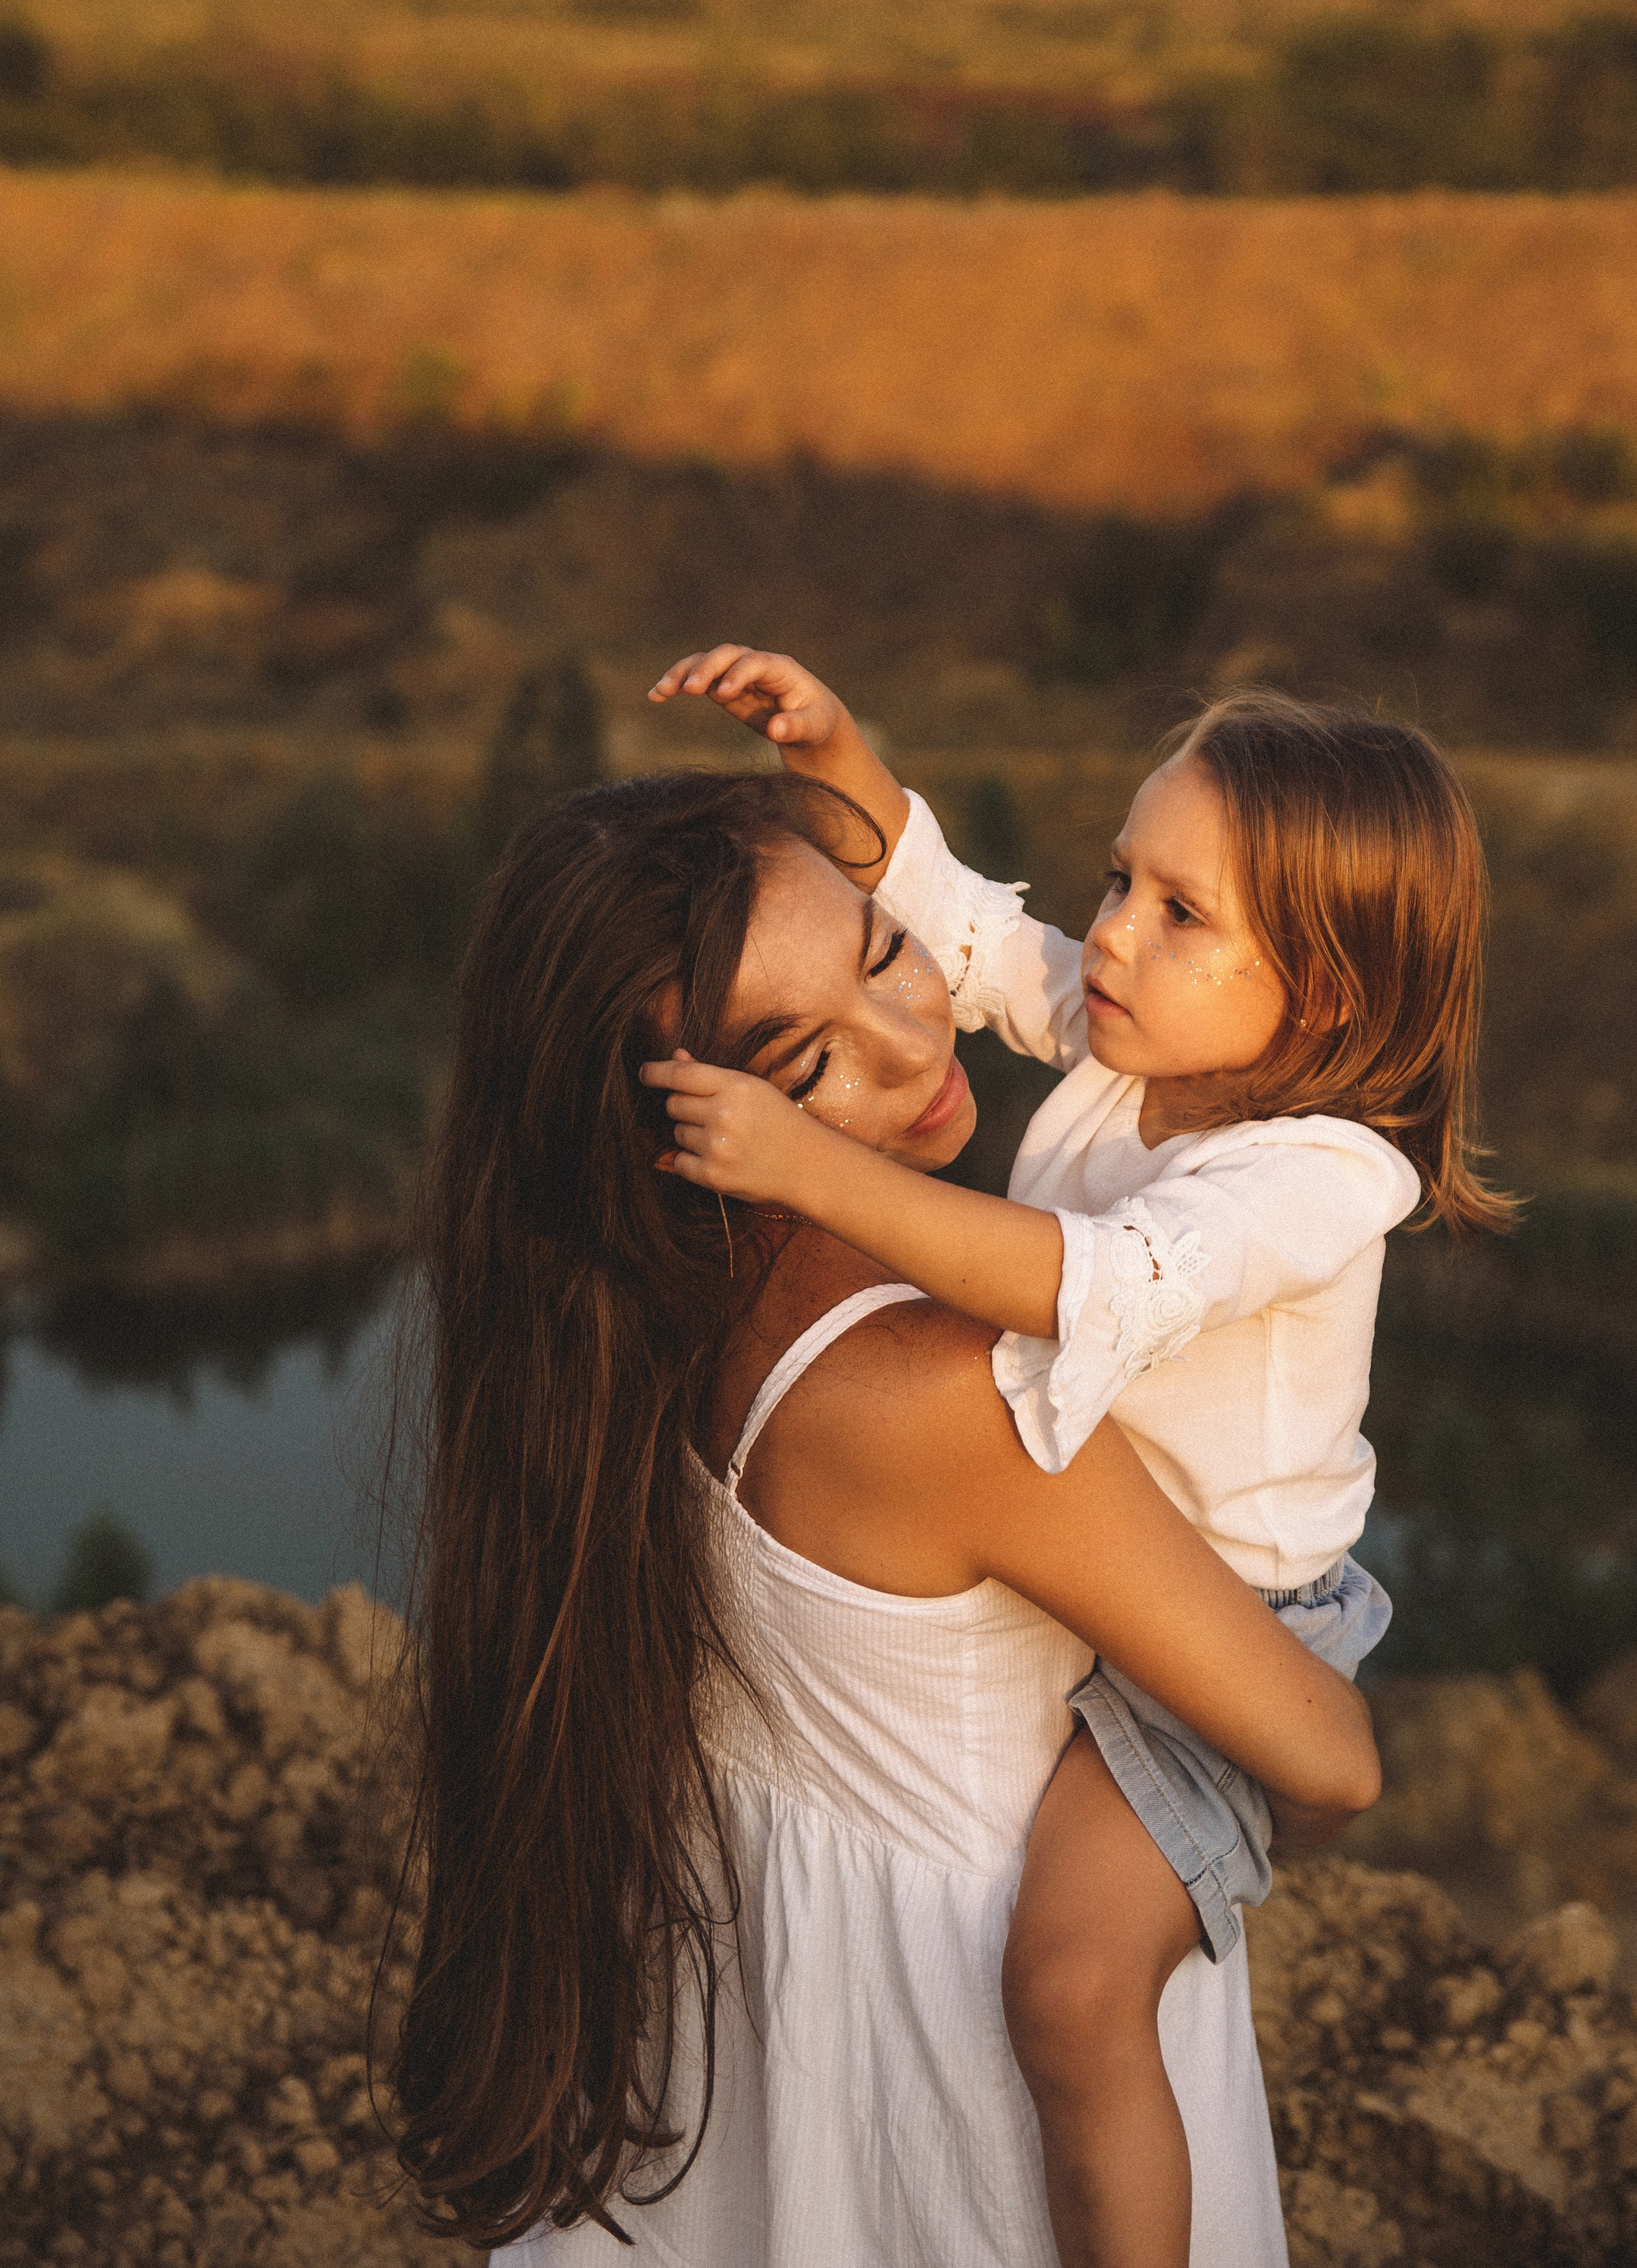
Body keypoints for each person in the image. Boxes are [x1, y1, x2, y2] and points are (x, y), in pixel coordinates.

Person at [391, 765, 1381, 2266]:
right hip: (963, 2099)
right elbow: (1323, 1753)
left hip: (749, 2048)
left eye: (882, 952)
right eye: (803, 1069)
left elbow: (989, 953)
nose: (915, 1037)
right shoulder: (943, 1396)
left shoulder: (610, 1314)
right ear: (686, 1115)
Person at [645, 648, 1512, 2268]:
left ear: (1318, 994)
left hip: (1238, 1616)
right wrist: (837, 745)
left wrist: (809, 1170)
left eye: (1179, 913)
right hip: (1109, 1569)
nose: (1109, 933)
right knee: (1062, 1969)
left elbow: (1083, 1286)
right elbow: (961, 933)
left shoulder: (1315, 1179)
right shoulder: (1143, 1040)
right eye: (1122, 877)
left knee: (1067, 1983)